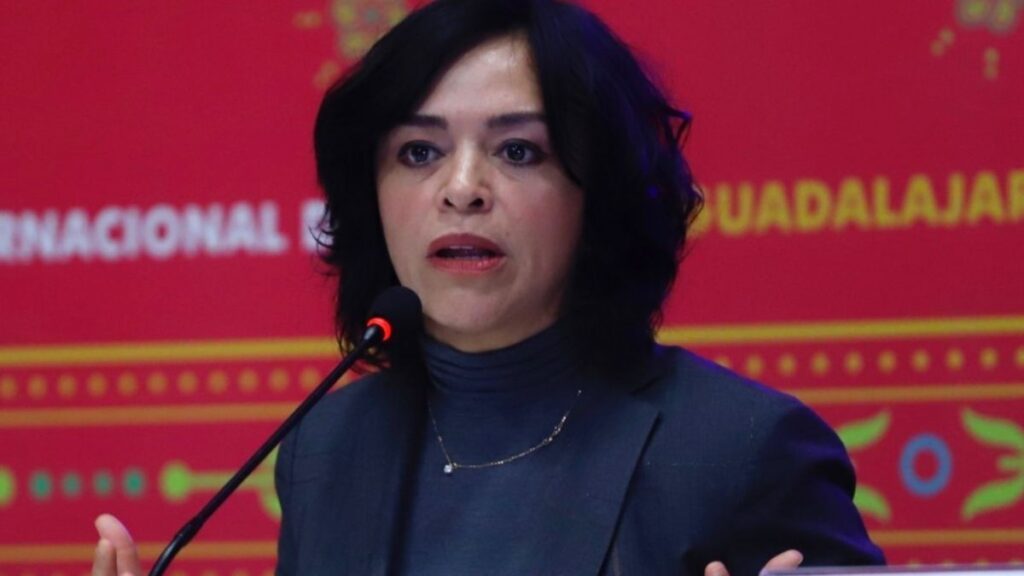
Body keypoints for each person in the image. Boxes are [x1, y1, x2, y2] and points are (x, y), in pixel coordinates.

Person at [93, 0, 885, 574]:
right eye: (418, 153)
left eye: (517, 152)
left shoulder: (739, 452)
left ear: (599, 194)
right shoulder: (328, 448)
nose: (462, 188)